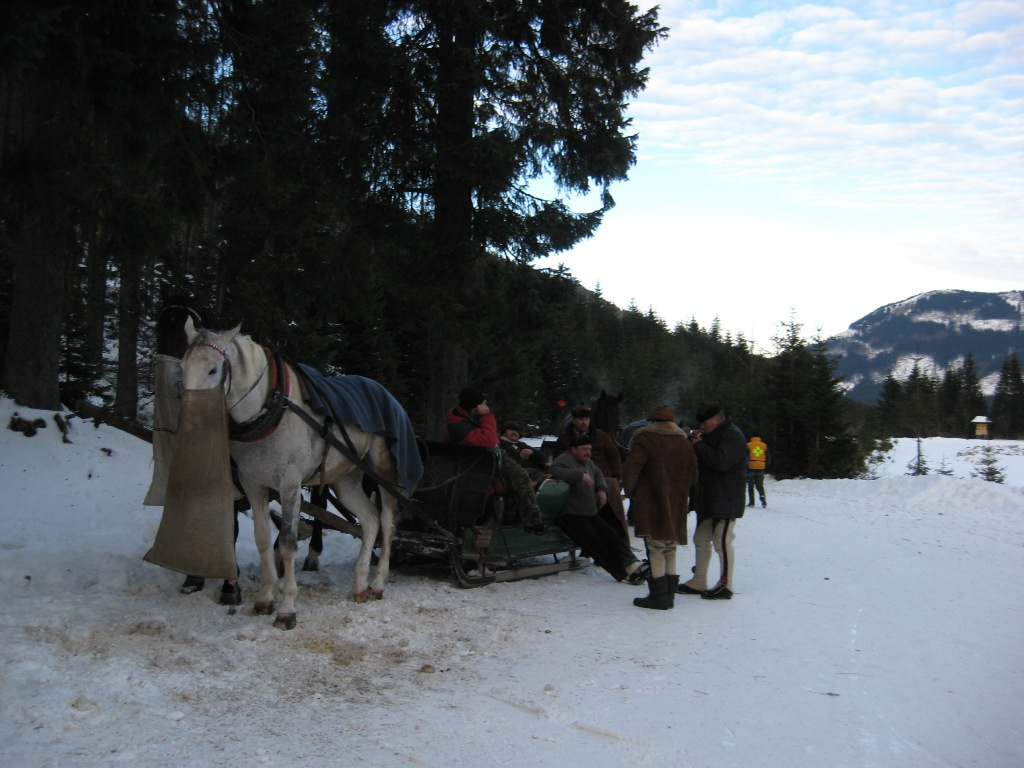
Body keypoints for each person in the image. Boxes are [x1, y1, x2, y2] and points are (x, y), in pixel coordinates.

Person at [622, 405, 699, 610]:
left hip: (651, 499)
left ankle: (658, 596)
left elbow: (632, 468)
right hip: (676, 501)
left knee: (655, 546)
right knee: (670, 546)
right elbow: (694, 475)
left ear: (653, 421)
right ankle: (669, 594)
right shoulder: (684, 442)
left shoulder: (645, 439)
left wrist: (631, 491)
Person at [444, 387, 547, 534]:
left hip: (492, 465)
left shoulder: (465, 420)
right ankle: (531, 522)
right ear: (475, 407)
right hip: (482, 470)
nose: (487, 407)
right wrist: (486, 416)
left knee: (529, 476)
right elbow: (490, 441)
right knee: (522, 478)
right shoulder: (459, 425)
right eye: (484, 404)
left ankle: (526, 519)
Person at [548, 434, 648, 585]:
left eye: (589, 449)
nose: (588, 452)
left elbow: (598, 473)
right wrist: (580, 475)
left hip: (589, 512)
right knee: (597, 544)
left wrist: (601, 489)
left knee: (611, 535)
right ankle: (622, 573)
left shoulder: (587, 461)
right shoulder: (563, 460)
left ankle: (632, 563)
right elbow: (554, 471)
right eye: (584, 449)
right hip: (571, 515)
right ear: (573, 449)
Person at [678, 402, 748, 600]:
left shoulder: (733, 436)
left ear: (717, 420)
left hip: (726, 500)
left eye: (705, 423)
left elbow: (720, 462)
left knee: (722, 541)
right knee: (701, 539)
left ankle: (726, 584)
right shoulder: (717, 435)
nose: (701, 427)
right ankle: (699, 580)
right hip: (710, 500)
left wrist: (699, 445)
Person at [556, 404, 629, 546]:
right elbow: (559, 460)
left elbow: (614, 456)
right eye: (580, 419)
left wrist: (617, 476)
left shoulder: (601, 435)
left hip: (604, 477)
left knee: (611, 493)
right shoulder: (566, 438)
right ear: (574, 420)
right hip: (579, 480)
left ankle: (622, 542)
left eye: (586, 419)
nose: (584, 422)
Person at [747, 434, 768, 508]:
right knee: (759, 485)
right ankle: (763, 498)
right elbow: (768, 456)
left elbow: (745, 456)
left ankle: (751, 502)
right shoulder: (764, 445)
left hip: (751, 467)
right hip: (761, 467)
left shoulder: (748, 445)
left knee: (750, 485)